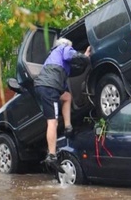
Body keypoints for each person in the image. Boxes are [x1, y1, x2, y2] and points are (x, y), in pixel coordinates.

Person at [34, 38, 91, 172]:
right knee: (52, 123)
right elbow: (71, 55)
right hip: (50, 88)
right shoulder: (63, 48)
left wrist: (85, 59)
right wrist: (84, 56)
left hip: (44, 86)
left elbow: (75, 70)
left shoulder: (53, 56)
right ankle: (52, 156)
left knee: (67, 96)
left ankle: (68, 127)